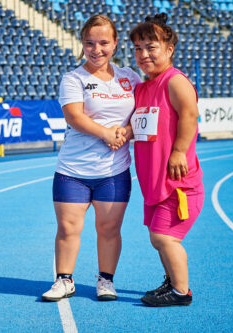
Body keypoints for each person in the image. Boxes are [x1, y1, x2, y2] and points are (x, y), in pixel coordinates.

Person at [41, 14, 141, 302]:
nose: (96, 50)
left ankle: (106, 281)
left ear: (116, 43)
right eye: (89, 43)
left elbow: (142, 117)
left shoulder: (129, 78)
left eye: (103, 43)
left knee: (109, 229)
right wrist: (105, 134)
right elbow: (74, 116)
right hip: (73, 170)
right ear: (82, 44)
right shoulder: (73, 78)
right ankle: (64, 280)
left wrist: (127, 132)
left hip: (114, 172)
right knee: (68, 229)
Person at [126, 13, 204, 307]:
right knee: (157, 238)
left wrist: (180, 150)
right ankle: (172, 280)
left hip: (178, 184)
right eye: (138, 48)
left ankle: (181, 292)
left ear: (169, 49)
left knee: (164, 237)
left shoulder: (175, 81)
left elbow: (190, 115)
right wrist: (124, 131)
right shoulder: (144, 87)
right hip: (154, 181)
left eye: (151, 47)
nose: (143, 54)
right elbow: (142, 124)